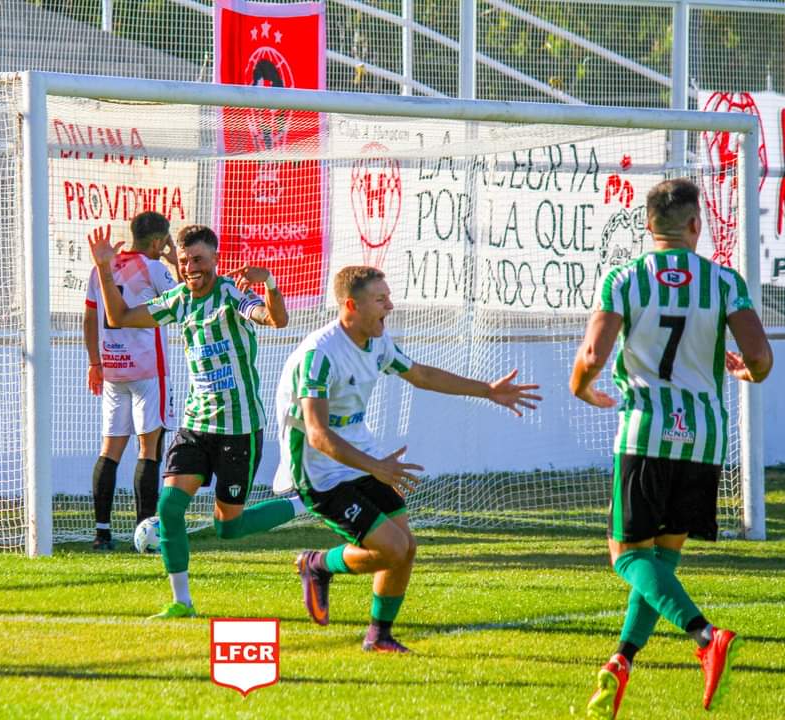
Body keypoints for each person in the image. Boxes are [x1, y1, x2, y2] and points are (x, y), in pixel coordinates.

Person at [570, 178, 772, 718]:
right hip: (703, 439)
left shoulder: (624, 278)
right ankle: (621, 660)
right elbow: (761, 355)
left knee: (628, 557)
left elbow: (593, 352)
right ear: (695, 226)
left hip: (646, 431)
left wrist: (580, 385)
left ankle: (706, 636)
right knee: (659, 561)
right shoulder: (724, 281)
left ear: (646, 226)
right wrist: (748, 372)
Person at [280, 266, 540, 652]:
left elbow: (421, 375)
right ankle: (316, 564)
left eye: (389, 296)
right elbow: (317, 435)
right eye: (380, 299)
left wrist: (487, 390)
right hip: (320, 472)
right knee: (392, 549)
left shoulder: (378, 342)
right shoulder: (320, 355)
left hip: (361, 455)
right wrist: (378, 467)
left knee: (406, 546)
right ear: (351, 305)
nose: (391, 305)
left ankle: (379, 636)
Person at [88, 223, 305, 619]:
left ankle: (301, 501)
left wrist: (270, 283)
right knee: (170, 507)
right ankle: (181, 602)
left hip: (238, 429)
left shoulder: (232, 294)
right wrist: (104, 268)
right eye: (185, 261)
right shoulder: (179, 299)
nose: (192, 268)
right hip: (195, 424)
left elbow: (275, 320)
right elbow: (118, 317)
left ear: (215, 260)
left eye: (199, 260)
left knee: (229, 528)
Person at [84, 211, 180, 551]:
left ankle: (102, 533)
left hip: (112, 368)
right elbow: (189, 298)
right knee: (148, 449)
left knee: (110, 450)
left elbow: (91, 316)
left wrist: (95, 362)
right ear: (158, 241)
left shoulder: (102, 266)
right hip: (147, 370)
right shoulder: (154, 268)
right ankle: (146, 532)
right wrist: (174, 261)